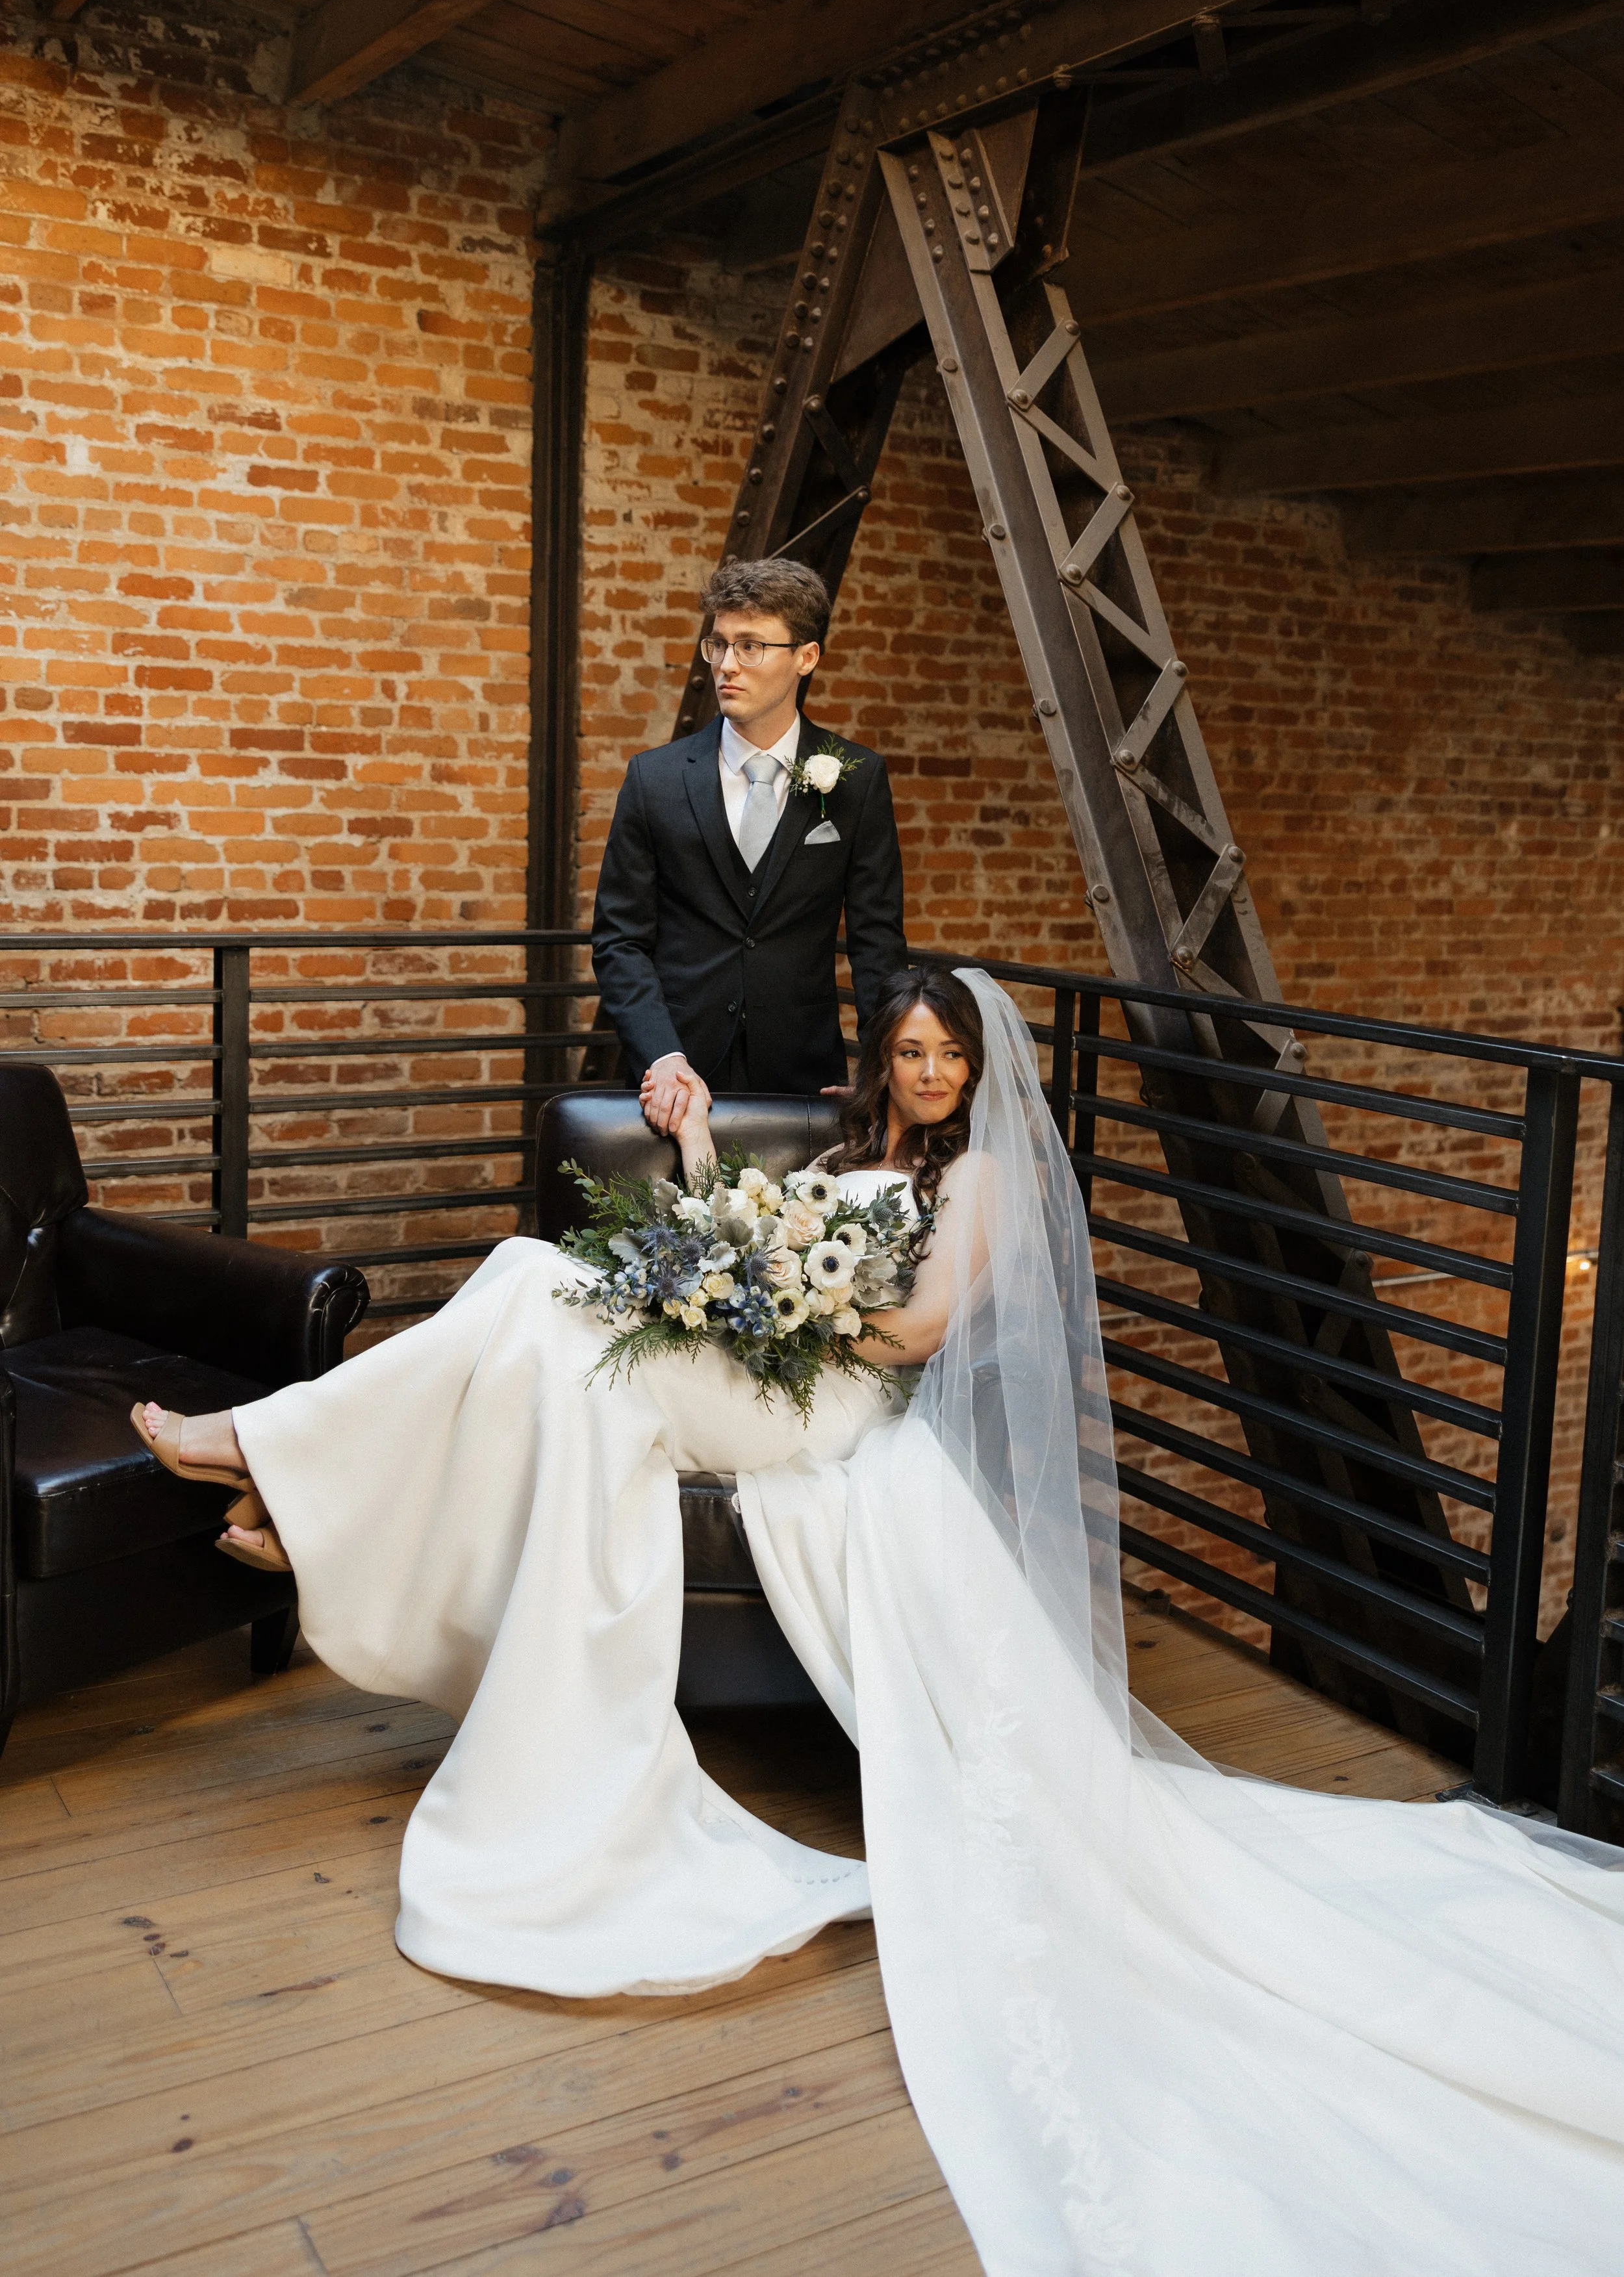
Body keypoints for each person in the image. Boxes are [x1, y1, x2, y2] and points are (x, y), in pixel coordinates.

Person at [131, 969, 1624, 2275]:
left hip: (819, 1399)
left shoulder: (977, 1183)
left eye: (943, 1056)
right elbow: (740, 1229)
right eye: (904, 1053)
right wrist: (711, 1172)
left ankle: (284, 1466)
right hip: (746, 1348)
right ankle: (297, 1481)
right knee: (533, 1283)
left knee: (540, 1293)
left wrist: (774, 1290)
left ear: (974, 1068)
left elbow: (912, 1334)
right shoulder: (856, 1151)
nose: (922, 1076)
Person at [590, 555, 907, 1134]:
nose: (727, 666)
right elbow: (619, 940)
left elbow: (876, 942)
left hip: (804, 1078)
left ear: (806, 658)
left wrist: (882, 1067)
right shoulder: (654, 779)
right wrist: (662, 1057)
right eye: (719, 645)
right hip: (674, 1083)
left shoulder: (857, 779)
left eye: (751, 647)